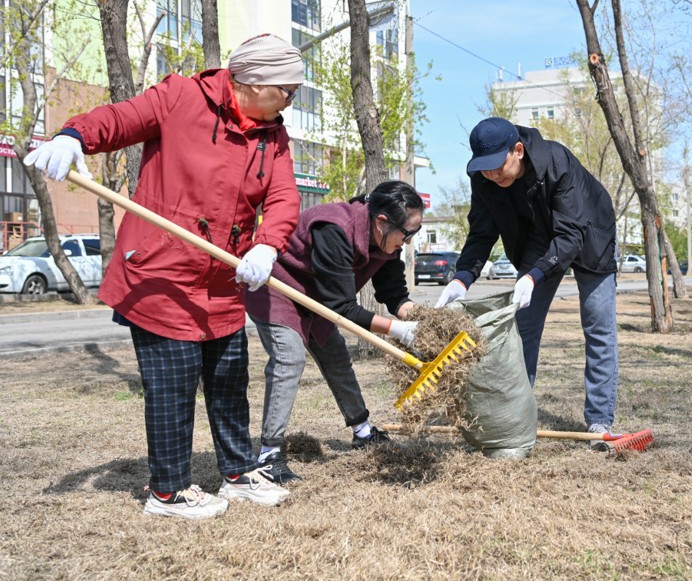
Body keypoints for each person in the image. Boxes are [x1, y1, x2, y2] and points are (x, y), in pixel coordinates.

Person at [24, 33, 305, 519]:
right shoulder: (181, 97)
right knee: (173, 385)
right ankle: (169, 491)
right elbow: (116, 119)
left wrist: (266, 243)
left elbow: (283, 198)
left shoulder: (273, 137)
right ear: (253, 82)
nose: (290, 101)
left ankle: (238, 475)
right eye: (287, 91)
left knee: (227, 382)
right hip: (160, 273)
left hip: (222, 280)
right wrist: (73, 135)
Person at [435, 117, 619, 450]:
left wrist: (534, 276)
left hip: (590, 234)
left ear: (517, 150)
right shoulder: (483, 179)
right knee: (522, 327)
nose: (492, 175)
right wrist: (462, 278)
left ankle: (600, 418)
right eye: (485, 169)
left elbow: (571, 233)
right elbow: (481, 232)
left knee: (598, 326)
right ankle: (514, 412)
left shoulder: (556, 163)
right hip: (538, 240)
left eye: (497, 167)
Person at [245, 180, 423, 483]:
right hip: (280, 288)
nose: (407, 241)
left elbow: (394, 294)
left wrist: (419, 320)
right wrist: (397, 330)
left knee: (337, 357)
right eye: (407, 233)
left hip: (319, 296)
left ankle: (363, 433)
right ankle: (268, 455)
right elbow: (342, 308)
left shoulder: (385, 243)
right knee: (289, 360)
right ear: (381, 222)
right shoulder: (334, 228)